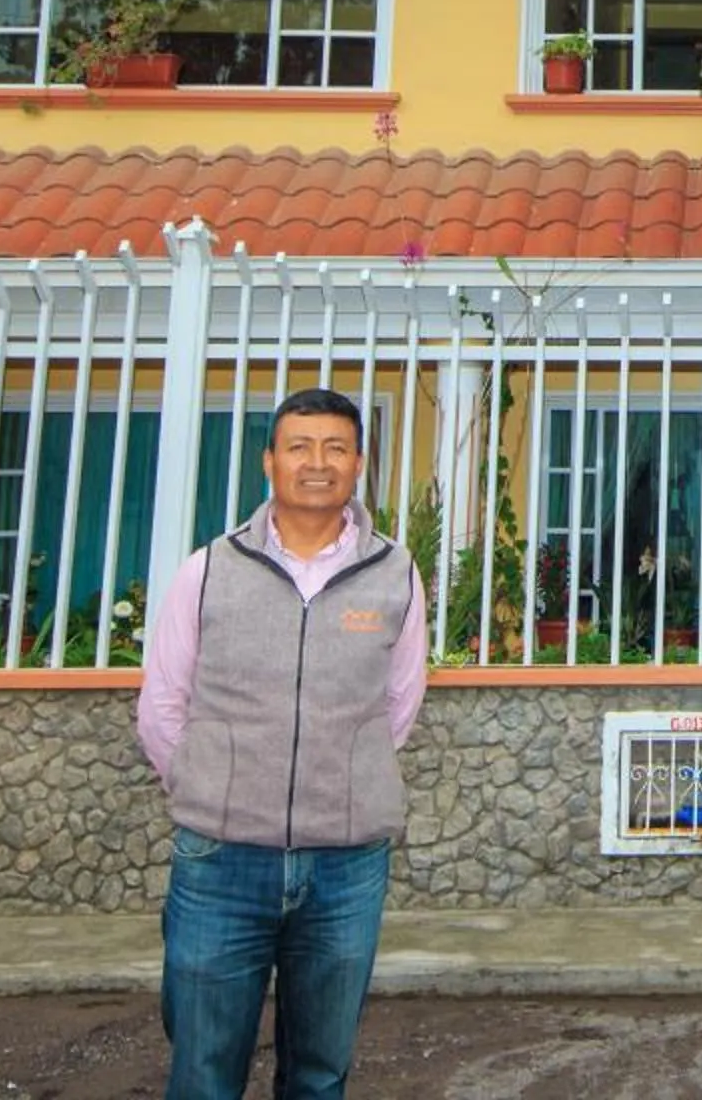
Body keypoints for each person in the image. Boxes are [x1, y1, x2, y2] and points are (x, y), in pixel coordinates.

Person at [136, 388, 427, 1100]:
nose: (317, 463)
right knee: (204, 1071)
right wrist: (215, 787)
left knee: (320, 1073)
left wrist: (343, 781)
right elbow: (164, 704)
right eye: (299, 447)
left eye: (335, 448)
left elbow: (398, 704)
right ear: (270, 461)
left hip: (345, 866)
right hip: (221, 863)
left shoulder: (395, 576)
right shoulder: (207, 570)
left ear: (359, 464)